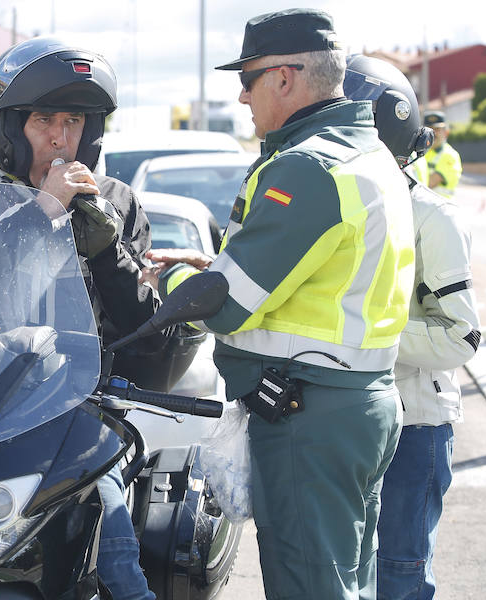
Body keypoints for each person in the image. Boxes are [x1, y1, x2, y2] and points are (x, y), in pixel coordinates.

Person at [143, 9, 416, 599]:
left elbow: (228, 306)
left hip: (306, 417)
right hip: (355, 404)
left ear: (285, 78)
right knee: (346, 581)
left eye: (248, 78)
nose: (241, 96)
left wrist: (159, 287)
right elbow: (313, 274)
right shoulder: (364, 153)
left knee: (309, 586)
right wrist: (211, 268)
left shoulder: (307, 166)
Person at [0, 38, 179, 600]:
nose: (60, 137)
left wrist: (108, 250)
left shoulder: (118, 201)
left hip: (73, 419)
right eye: (42, 119)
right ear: (7, 126)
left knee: (117, 561)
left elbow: (144, 333)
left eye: (74, 120)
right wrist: (42, 212)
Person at [343, 55, 481, 600]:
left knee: (400, 569)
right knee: (350, 567)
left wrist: (364, 330)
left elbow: (461, 336)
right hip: (351, 419)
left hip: (415, 426)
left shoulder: (434, 218)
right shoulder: (348, 209)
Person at [423, 111, 462, 195]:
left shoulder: (450, 156)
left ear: (446, 132)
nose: (433, 133)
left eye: (437, 129)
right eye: (429, 129)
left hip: (439, 206)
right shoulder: (419, 152)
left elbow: (428, 183)